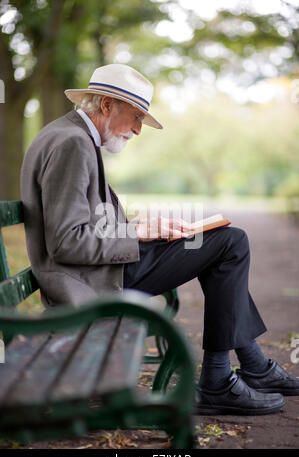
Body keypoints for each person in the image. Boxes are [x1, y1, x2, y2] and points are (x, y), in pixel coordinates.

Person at [21, 63, 299, 416]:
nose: (138, 129)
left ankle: (252, 367)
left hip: (101, 269)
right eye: (136, 116)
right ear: (106, 105)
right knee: (230, 244)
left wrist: (140, 228)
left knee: (218, 242)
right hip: (93, 282)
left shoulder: (71, 136)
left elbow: (78, 227)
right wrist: (134, 234)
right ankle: (220, 381)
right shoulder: (72, 143)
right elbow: (66, 243)